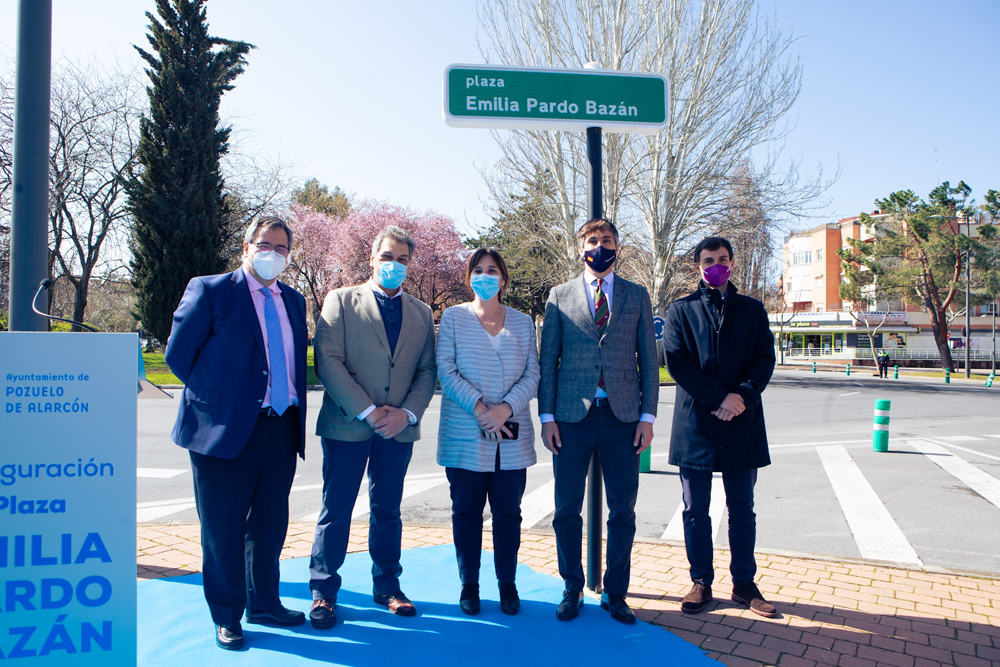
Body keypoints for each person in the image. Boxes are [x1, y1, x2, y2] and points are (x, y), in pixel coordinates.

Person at [165, 216, 309, 650]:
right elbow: (178, 356)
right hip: (222, 431)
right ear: (246, 247)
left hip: (280, 426)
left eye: (282, 248)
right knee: (222, 529)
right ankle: (227, 615)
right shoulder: (210, 290)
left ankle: (263, 602)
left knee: (269, 525)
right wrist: (221, 399)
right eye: (265, 244)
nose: (273, 254)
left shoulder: (294, 299)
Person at [308, 226, 436, 628]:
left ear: (409, 265)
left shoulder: (421, 312)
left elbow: (426, 370)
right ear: (372, 258)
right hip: (348, 425)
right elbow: (327, 361)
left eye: (402, 259)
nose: (393, 265)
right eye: (387, 256)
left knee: (388, 509)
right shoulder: (341, 301)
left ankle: (388, 587)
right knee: (337, 508)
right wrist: (367, 409)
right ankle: (324, 593)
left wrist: (405, 414)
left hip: (397, 430)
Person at [538, 218, 658, 625]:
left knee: (622, 510)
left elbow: (649, 360)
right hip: (571, 418)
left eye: (607, 240)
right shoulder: (560, 295)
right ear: (580, 248)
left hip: (623, 417)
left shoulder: (637, 295)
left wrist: (647, 416)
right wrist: (547, 415)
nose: (600, 246)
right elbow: (548, 361)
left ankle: (616, 592)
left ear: (618, 248)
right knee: (565, 508)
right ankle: (572, 587)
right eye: (593, 240)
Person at [663, 236, 777, 618]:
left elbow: (764, 360)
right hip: (697, 422)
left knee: (742, 507)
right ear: (697, 266)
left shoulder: (753, 310)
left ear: (733, 263)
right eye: (709, 260)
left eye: (723, 259)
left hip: (742, 422)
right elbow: (677, 363)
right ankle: (701, 582)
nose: (716, 266)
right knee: (696, 510)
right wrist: (718, 397)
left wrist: (740, 396)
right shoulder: (681, 310)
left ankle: (744, 583)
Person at [436, 248, 540, 616]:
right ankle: (470, 585)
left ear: (503, 278)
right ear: (469, 278)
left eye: (492, 270)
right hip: (466, 431)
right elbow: (445, 370)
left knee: (508, 513)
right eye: (477, 270)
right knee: (466, 512)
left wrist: (505, 409)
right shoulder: (452, 318)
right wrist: (482, 409)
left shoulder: (523, 322)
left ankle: (507, 584)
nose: (484, 276)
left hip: (511, 436)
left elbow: (532, 373)